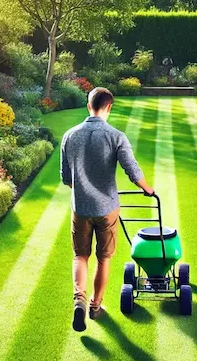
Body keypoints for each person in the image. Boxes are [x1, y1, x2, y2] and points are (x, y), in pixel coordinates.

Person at [60, 87, 154, 332]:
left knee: (80, 256)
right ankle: (95, 306)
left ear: (88, 105)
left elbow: (66, 178)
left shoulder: (70, 136)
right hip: (107, 208)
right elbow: (132, 171)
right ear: (109, 107)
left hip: (80, 208)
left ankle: (79, 300)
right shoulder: (116, 136)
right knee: (104, 258)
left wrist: (80, 186)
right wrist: (148, 189)